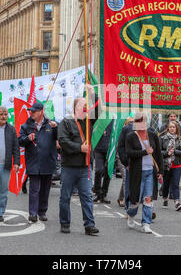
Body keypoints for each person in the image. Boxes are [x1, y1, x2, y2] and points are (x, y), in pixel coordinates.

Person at [58, 96, 99, 236]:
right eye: (84, 105)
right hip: (69, 166)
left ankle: (89, 225)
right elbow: (63, 141)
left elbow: (99, 109)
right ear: (76, 108)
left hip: (85, 167)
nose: (87, 107)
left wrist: (93, 93)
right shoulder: (66, 122)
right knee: (65, 196)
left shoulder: (88, 122)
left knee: (86, 196)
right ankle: (65, 223)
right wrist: (79, 148)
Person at [19, 102, 58, 223]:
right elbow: (20, 141)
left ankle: (42, 212)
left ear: (41, 112)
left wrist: (56, 128)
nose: (32, 113)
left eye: (34, 111)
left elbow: (60, 138)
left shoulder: (51, 124)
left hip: (48, 161)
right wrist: (27, 138)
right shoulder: (26, 126)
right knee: (34, 189)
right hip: (33, 161)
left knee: (45, 189)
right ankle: (33, 213)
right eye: (31, 111)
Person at [125, 113, 164, 234]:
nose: (141, 124)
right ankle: (131, 215)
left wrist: (160, 171)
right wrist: (144, 152)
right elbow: (129, 153)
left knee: (148, 198)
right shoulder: (131, 136)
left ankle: (146, 223)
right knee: (135, 201)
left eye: (143, 121)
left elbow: (158, 154)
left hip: (149, 172)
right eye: (139, 121)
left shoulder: (152, 135)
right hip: (137, 173)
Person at [160, 121, 181, 211]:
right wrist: (167, 153)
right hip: (166, 165)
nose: (172, 129)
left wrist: (174, 152)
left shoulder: (180, 139)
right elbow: (159, 152)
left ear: (176, 128)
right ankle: (165, 199)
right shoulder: (162, 138)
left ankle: (177, 202)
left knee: (175, 184)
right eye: (170, 127)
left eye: (174, 127)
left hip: (177, 164)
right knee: (166, 184)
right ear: (168, 129)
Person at [93, 119, 113, 204]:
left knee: (108, 172)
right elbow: (93, 130)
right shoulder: (99, 119)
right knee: (99, 170)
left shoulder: (114, 120)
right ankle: (97, 192)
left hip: (109, 150)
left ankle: (103, 194)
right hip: (98, 149)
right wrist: (99, 132)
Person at [116, 117, 134, 207]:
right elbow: (120, 146)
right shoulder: (123, 131)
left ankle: (121, 197)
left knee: (127, 179)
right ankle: (124, 199)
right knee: (125, 177)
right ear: (126, 123)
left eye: (133, 122)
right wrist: (124, 161)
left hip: (131, 158)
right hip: (122, 157)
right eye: (130, 122)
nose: (132, 124)